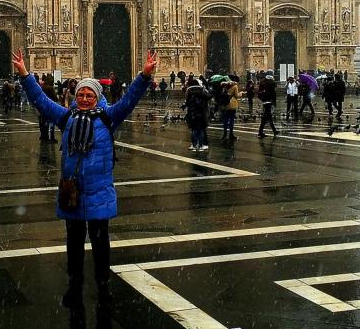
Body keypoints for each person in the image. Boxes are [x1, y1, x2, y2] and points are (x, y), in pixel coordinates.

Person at [13, 46, 157, 306]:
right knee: (74, 245)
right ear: (75, 96)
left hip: (100, 191)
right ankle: (74, 286)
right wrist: (25, 75)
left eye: (90, 94)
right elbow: (41, 102)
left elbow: (129, 101)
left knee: (101, 246)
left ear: (98, 97)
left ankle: (103, 287)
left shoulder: (108, 117)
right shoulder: (67, 117)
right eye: (82, 94)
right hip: (74, 192)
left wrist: (144, 76)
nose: (86, 98)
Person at [183, 78, 211, 151]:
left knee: (194, 130)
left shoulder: (189, 91)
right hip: (202, 112)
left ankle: (194, 145)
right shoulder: (202, 90)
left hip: (193, 112)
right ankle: (201, 146)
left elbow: (187, 102)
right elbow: (208, 97)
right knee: (201, 130)